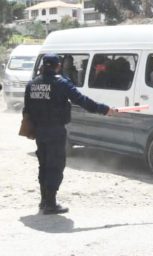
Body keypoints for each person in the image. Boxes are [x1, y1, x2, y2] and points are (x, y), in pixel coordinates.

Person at [23, 54, 116, 215]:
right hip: (55, 130)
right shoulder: (61, 84)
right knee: (55, 166)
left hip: (40, 131)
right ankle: (51, 204)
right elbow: (83, 101)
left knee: (44, 165)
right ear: (58, 66)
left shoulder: (31, 84)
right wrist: (104, 109)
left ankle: (44, 201)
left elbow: (26, 109)